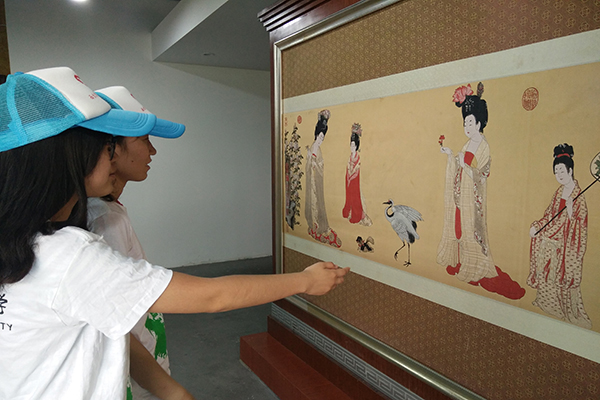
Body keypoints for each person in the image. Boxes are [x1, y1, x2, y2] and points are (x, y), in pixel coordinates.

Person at [0, 67, 349, 400]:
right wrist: (305, 281)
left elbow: (108, 317)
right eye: (105, 147)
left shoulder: (28, 241)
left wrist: (169, 390)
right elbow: (213, 296)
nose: (113, 157)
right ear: (68, 157)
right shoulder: (70, 255)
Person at [87, 86, 189, 399]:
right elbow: (114, 315)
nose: (152, 151)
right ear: (108, 150)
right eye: (143, 140)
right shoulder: (103, 220)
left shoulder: (107, 211)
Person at [438, 83, 524, 299]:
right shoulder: (467, 144)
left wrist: (467, 168)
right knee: (459, 228)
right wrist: (450, 155)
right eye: (465, 123)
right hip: (461, 195)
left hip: (472, 198)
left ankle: (475, 266)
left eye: (470, 122)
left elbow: (483, 172)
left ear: (479, 122)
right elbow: (459, 164)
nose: (467, 127)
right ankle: (461, 260)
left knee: (472, 230)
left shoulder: (483, 146)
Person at [528, 143, 591, 328]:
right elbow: (550, 215)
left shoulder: (578, 196)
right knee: (540, 242)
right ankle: (546, 303)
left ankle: (565, 310)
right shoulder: (559, 192)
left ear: (570, 170)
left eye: (562, 170)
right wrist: (538, 226)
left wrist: (571, 213)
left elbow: (581, 227)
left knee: (560, 273)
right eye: (556, 171)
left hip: (566, 246)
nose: (559, 175)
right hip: (551, 240)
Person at [305, 109, 342, 247]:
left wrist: (318, 164)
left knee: (319, 203)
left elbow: (319, 165)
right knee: (313, 203)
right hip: (312, 182)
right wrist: (312, 162)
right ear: (316, 135)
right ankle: (314, 225)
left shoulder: (317, 149)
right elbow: (309, 165)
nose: (320, 140)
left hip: (317, 181)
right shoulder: (313, 148)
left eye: (322, 138)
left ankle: (320, 225)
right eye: (319, 137)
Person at [341, 123, 372, 226]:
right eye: (351, 145)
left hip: (354, 180)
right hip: (349, 179)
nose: (352, 147)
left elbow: (356, 170)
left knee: (355, 197)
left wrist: (351, 177)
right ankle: (348, 211)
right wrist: (348, 176)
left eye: (353, 145)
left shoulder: (357, 157)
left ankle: (356, 214)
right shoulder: (350, 156)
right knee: (348, 197)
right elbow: (348, 168)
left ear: (357, 146)